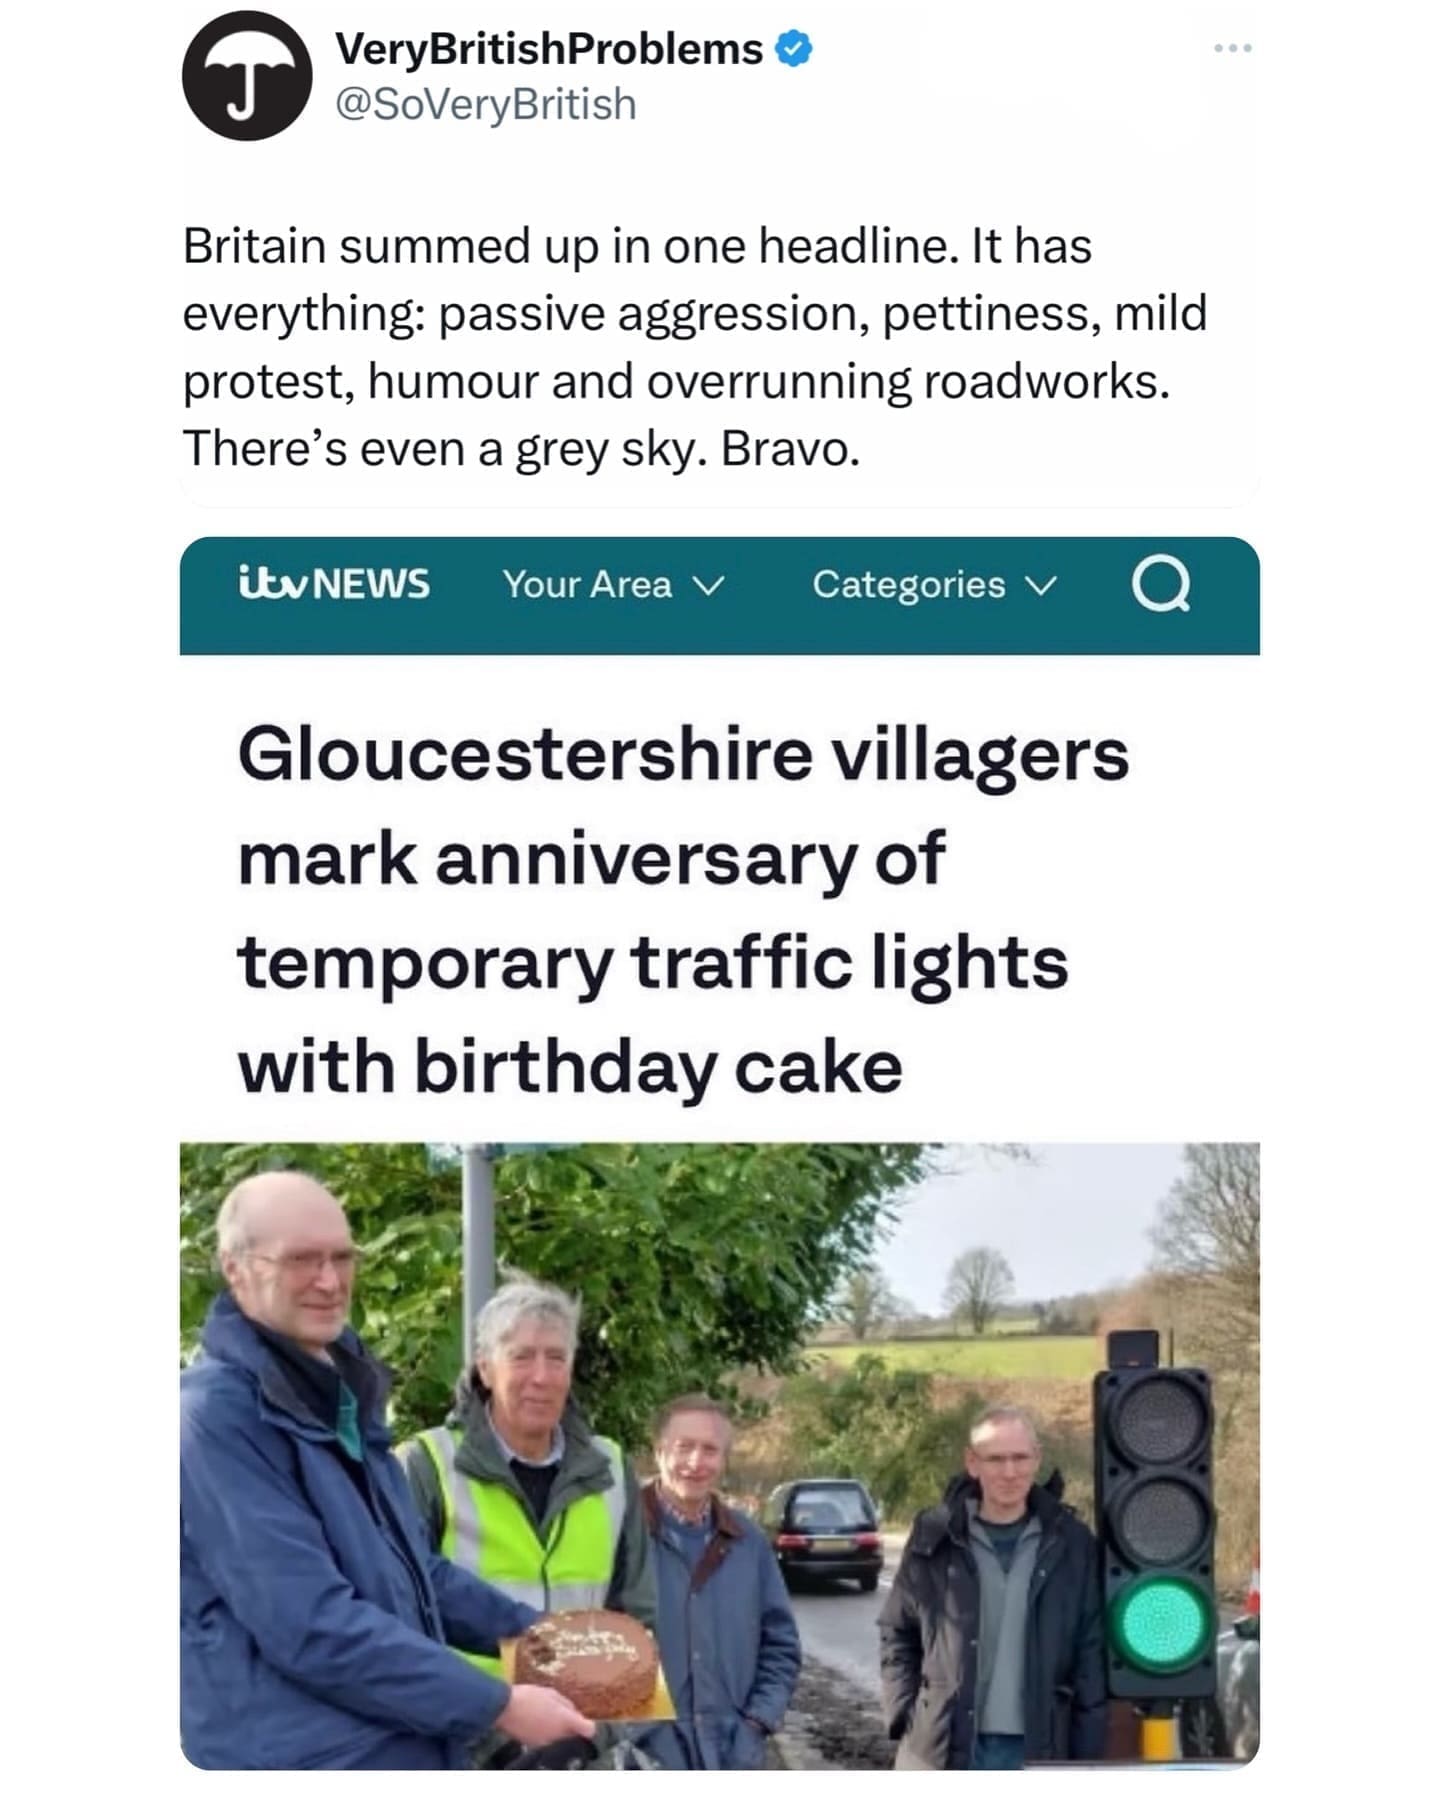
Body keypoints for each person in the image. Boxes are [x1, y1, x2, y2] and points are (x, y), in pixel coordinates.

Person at [180, 1171, 594, 1770]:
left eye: (342, 1258)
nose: (329, 1281)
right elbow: (311, 1625)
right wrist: (499, 1704)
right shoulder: (214, 1418)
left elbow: (416, 1575)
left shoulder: (342, 1399)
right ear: (235, 1267)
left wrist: (548, 1639)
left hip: (399, 1746)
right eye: (301, 1260)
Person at [878, 1404, 1106, 1770]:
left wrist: (1087, 1750)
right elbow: (897, 1630)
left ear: (1037, 1459)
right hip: (942, 1747)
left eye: (1020, 1458)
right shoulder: (934, 1538)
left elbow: (1091, 1654)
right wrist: (905, 1713)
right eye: (996, 1459)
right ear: (973, 1462)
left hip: (1040, 1748)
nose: (1010, 1472)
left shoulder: (1072, 1543)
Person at [640, 1394, 802, 1769]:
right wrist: (638, 1735)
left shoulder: (748, 1542)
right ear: (659, 1451)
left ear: (724, 1461)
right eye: (684, 1448)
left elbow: (781, 1645)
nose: (696, 1463)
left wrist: (757, 1721)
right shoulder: (621, 1533)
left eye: (710, 1450)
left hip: (732, 1754)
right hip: (644, 1757)